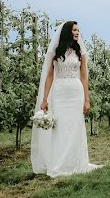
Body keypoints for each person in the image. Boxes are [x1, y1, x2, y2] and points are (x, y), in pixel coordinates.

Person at [31, 20, 103, 177]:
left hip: (76, 93)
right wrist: (45, 99)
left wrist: (86, 99)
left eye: (78, 30)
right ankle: (60, 164)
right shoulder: (56, 52)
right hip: (59, 92)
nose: (77, 33)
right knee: (61, 128)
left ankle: (77, 163)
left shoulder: (80, 52)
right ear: (67, 32)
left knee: (75, 126)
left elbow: (84, 76)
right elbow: (49, 76)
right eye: (75, 30)